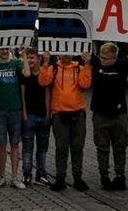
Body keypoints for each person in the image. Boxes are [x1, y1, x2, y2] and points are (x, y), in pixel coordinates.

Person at [38, 50, 93, 192]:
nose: (66, 55)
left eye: (69, 52)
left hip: (78, 113)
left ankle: (77, 178)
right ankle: (60, 178)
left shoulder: (79, 68)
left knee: (77, 148)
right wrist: (45, 62)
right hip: (59, 114)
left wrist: (87, 64)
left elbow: (85, 84)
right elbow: (43, 81)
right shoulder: (53, 68)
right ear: (59, 53)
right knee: (61, 148)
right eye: (63, 52)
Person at [89, 42, 128, 191]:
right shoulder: (96, 63)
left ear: (115, 57)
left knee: (120, 147)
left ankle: (120, 176)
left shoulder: (122, 65)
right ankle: (104, 176)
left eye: (107, 58)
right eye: (102, 57)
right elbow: (83, 45)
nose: (103, 60)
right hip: (100, 115)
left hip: (119, 114)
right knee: (102, 148)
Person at [0, 46, 24, 189]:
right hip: (0, 109)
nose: (4, 51)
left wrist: (24, 54)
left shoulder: (16, 64)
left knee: (15, 143)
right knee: (1, 144)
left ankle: (14, 177)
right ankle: (2, 176)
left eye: (6, 48)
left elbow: (26, 73)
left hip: (15, 108)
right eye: (1, 49)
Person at [19, 47, 52, 187]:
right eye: (29, 57)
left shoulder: (45, 74)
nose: (31, 60)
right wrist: (24, 113)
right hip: (30, 116)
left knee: (42, 148)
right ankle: (27, 175)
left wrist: (48, 113)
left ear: (39, 59)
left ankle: (41, 175)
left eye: (33, 57)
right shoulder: (24, 75)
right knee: (27, 148)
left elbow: (47, 94)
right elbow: (22, 95)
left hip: (43, 115)